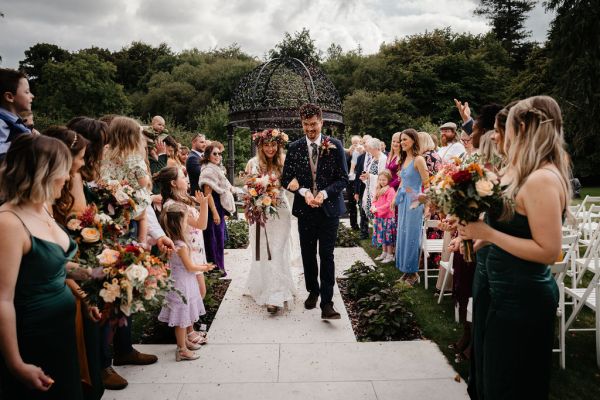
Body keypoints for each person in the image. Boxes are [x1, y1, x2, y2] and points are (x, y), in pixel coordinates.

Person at [459, 95, 570, 399]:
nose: (499, 136)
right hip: (504, 292)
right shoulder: (528, 174)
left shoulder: (542, 180)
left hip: (523, 299)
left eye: (505, 128)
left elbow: (548, 251)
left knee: (510, 386)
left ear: (520, 128)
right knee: (495, 381)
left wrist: (489, 235)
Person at [0, 135, 82, 399]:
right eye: (63, 171)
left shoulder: (43, 207)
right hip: (33, 340)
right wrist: (16, 364)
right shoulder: (8, 223)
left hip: (62, 334)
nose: (68, 178)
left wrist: (102, 274)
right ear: (42, 173)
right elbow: (2, 299)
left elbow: (54, 265)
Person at [281, 103, 348, 319]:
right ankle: (313, 291)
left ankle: (327, 303)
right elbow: (286, 179)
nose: (311, 129)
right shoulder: (294, 147)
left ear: (322, 122)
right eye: (306, 125)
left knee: (326, 255)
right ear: (302, 124)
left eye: (314, 124)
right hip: (305, 211)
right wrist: (303, 191)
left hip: (329, 210)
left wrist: (324, 194)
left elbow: (343, 179)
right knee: (308, 255)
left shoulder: (335, 145)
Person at [244, 129, 296, 314]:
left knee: (278, 251)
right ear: (260, 146)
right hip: (260, 214)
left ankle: (276, 295)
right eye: (266, 145)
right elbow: (247, 187)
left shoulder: (284, 162)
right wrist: (256, 195)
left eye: (274, 144)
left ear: (279, 145)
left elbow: (292, 184)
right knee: (263, 252)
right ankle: (266, 287)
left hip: (281, 212)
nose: (270, 148)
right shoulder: (253, 163)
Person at [158, 202, 214, 361]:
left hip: (183, 283)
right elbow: (189, 267)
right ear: (178, 224)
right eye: (185, 221)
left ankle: (185, 343)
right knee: (182, 320)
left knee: (185, 316)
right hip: (181, 285)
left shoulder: (176, 242)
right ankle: (181, 349)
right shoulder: (181, 245)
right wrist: (204, 268)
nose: (187, 223)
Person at [156, 167, 211, 305]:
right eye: (182, 177)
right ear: (173, 183)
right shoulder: (173, 205)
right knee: (199, 292)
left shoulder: (183, 198)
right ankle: (186, 322)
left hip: (195, 248)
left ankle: (190, 324)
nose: (186, 179)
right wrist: (204, 205)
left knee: (197, 293)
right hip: (187, 252)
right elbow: (201, 224)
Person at [101, 116, 151, 243]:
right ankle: (142, 243)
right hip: (131, 200)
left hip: (110, 198)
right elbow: (143, 182)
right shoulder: (134, 156)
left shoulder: (105, 152)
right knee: (143, 217)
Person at [394, 129, 429, 286]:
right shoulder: (404, 159)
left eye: (405, 139)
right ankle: (406, 271)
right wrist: (394, 199)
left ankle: (413, 273)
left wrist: (426, 204)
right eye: (401, 140)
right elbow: (402, 182)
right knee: (403, 235)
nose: (402, 143)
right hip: (403, 201)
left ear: (414, 140)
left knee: (412, 236)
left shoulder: (419, 159)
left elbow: (427, 184)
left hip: (415, 202)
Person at [200, 144, 236, 274]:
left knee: (219, 239)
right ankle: (214, 268)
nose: (218, 156)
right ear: (208, 155)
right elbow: (207, 194)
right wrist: (215, 212)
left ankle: (219, 267)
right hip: (211, 207)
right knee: (213, 238)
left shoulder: (215, 169)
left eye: (219, 154)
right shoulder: (208, 171)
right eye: (214, 153)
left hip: (218, 206)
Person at [0, 69, 33, 160]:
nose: (32, 96)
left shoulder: (16, 121)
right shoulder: (2, 123)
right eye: (27, 92)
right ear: (10, 97)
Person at [370, 170, 396, 263]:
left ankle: (390, 255)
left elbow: (389, 204)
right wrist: (373, 206)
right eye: (380, 179)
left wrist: (378, 209)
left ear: (388, 180)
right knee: (382, 235)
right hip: (380, 217)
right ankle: (384, 252)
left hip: (387, 217)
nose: (382, 181)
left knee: (387, 237)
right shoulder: (378, 189)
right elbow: (374, 200)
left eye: (384, 180)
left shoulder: (390, 190)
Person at [360, 138, 387, 223]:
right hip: (369, 190)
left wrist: (370, 176)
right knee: (373, 219)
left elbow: (382, 177)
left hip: (377, 191)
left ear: (376, 148)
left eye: (370, 149)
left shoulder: (383, 159)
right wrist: (366, 177)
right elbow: (370, 174)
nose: (369, 151)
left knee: (378, 218)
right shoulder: (373, 158)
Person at [353, 134, 373, 240]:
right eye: (363, 142)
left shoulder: (377, 156)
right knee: (362, 210)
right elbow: (357, 176)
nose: (365, 144)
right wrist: (356, 192)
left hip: (374, 187)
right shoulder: (361, 157)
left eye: (367, 142)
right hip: (362, 188)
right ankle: (363, 232)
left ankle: (377, 234)